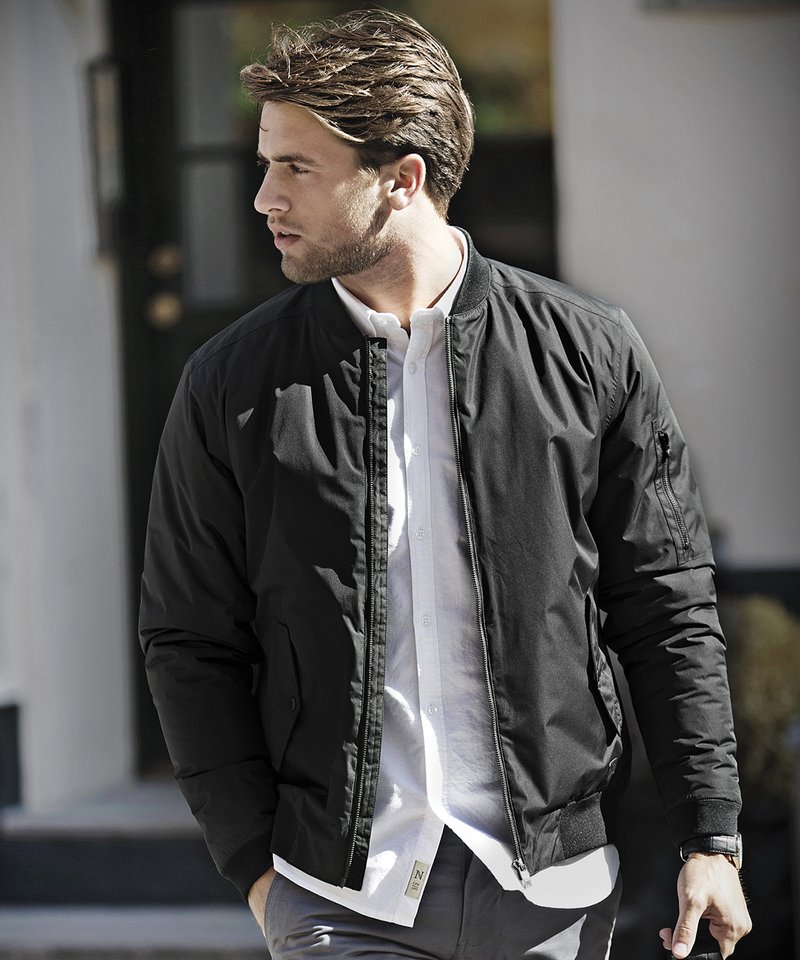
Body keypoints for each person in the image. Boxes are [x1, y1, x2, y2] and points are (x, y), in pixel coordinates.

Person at [139, 9, 751, 959]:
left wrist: (710, 835)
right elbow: (189, 639)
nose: (263, 198)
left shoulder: (589, 353)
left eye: (296, 167)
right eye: (265, 164)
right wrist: (257, 871)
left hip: (553, 893)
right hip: (341, 899)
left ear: (402, 179)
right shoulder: (231, 384)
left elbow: (666, 605)